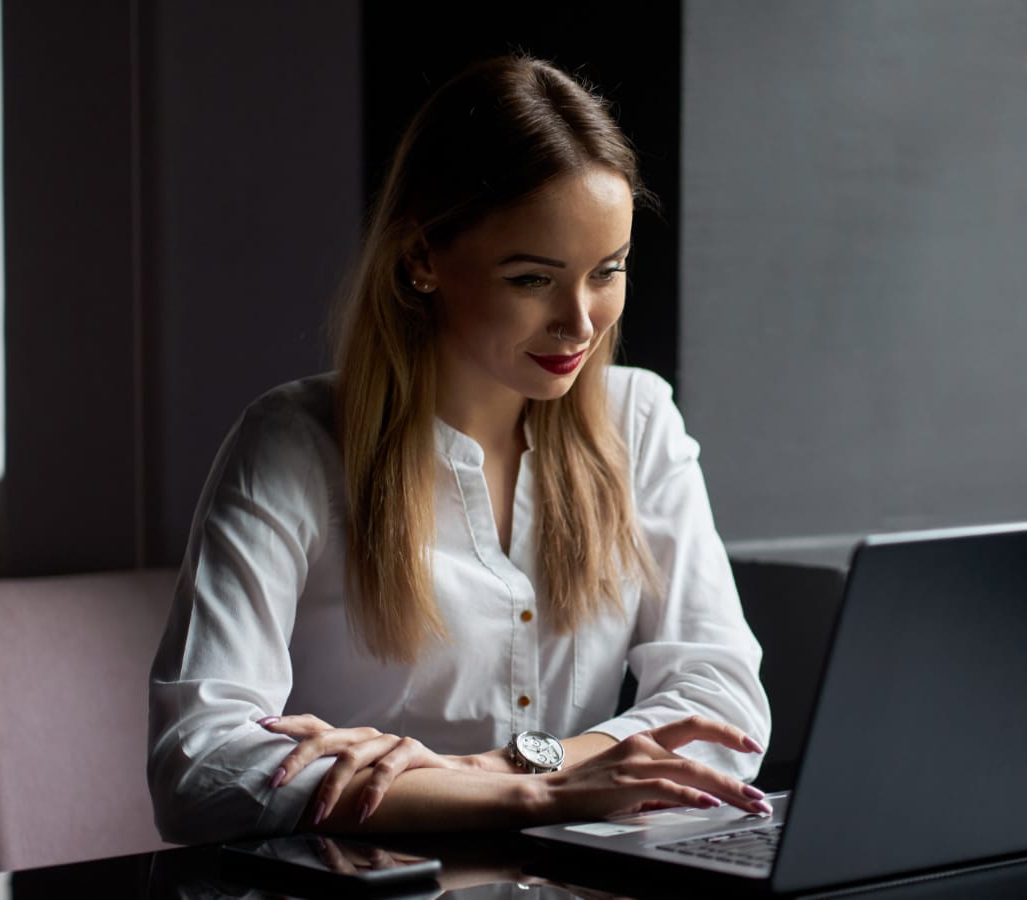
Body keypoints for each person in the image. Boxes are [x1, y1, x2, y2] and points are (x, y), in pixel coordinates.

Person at [147, 55, 771, 845]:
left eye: (606, 272)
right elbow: (199, 769)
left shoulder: (638, 420)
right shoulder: (293, 444)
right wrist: (538, 797)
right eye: (531, 279)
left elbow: (721, 709)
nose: (580, 323)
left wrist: (507, 766)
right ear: (420, 260)